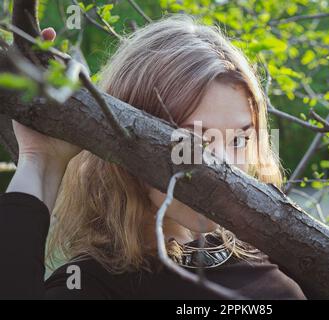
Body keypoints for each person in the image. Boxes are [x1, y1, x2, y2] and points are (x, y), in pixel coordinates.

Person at [0, 14, 306, 300]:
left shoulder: (270, 252)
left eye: (239, 139)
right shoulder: (94, 285)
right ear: (127, 141)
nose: (225, 166)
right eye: (193, 140)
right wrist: (39, 159)